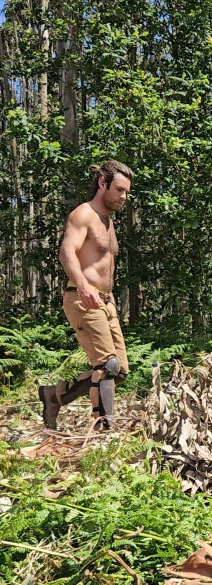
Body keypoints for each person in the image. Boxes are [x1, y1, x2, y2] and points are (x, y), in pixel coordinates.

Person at [39, 160, 133, 431]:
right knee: (107, 365)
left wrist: (110, 297)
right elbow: (66, 252)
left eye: (126, 192)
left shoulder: (108, 221)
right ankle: (104, 431)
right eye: (119, 189)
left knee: (120, 372)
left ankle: (53, 396)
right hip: (82, 298)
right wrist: (83, 285)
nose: (123, 197)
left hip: (105, 301)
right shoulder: (83, 214)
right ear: (103, 183)